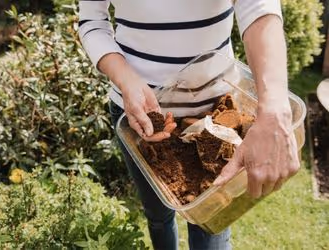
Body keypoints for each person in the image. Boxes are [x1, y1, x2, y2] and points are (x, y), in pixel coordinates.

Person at [78, 0, 300, 249]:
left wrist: (274, 111)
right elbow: (92, 21)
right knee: (158, 216)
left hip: (217, 116)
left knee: (211, 227)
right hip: (140, 120)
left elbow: (259, 6)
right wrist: (126, 79)